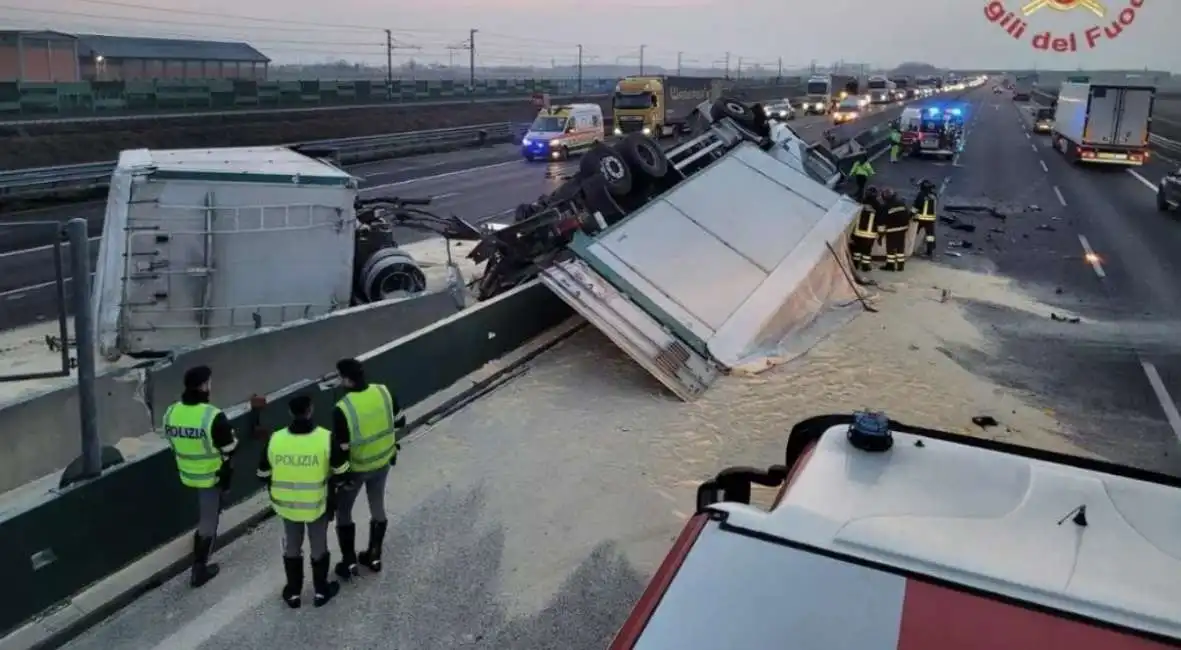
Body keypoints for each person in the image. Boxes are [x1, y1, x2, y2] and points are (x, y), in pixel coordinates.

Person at [258, 395, 350, 608]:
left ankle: (293, 593)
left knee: (292, 546)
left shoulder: (275, 439)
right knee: (318, 546)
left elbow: (262, 473)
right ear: (311, 410)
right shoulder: (326, 438)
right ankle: (320, 591)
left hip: (286, 506)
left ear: (290, 413)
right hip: (316, 505)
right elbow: (342, 472)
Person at [162, 365, 238, 588]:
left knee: (207, 516)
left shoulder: (171, 411)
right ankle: (199, 569)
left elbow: (170, 440)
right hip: (209, 477)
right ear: (205, 385)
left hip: (186, 472)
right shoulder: (212, 415)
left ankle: (199, 548)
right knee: (209, 522)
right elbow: (230, 447)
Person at [332, 358, 405, 579]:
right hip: (383, 461)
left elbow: (342, 449)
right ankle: (374, 556)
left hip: (358, 468)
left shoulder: (342, 408)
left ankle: (349, 561)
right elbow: (400, 421)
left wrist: (341, 476)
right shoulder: (383, 391)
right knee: (377, 506)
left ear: (346, 379)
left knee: (343, 511)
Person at [877, 188, 911, 271]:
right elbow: (907, 214)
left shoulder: (885, 206)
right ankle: (900, 266)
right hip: (902, 229)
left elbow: (881, 222)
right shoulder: (901, 202)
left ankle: (890, 266)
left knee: (890, 249)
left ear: (885, 197)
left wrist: (880, 236)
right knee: (900, 248)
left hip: (891, 230)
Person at [851, 186, 880, 273]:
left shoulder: (860, 202)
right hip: (869, 233)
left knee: (857, 250)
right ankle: (865, 266)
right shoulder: (877, 205)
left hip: (858, 232)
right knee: (867, 251)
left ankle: (855, 264)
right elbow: (880, 218)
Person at [911, 179, 939, 257]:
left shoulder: (921, 195)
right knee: (930, 235)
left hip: (921, 218)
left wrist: (910, 215)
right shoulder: (934, 195)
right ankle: (930, 251)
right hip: (931, 219)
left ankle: (909, 247)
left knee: (913, 232)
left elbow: (916, 206)